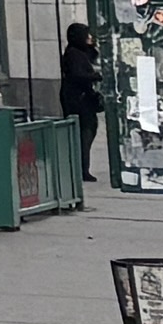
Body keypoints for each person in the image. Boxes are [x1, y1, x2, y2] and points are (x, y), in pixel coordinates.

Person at [56, 11, 104, 190]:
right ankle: (82, 168)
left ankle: (84, 167)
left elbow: (93, 57)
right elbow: (78, 75)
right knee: (84, 132)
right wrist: (96, 76)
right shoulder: (73, 54)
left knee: (89, 131)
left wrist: (93, 46)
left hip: (83, 98)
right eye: (87, 35)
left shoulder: (81, 52)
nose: (90, 37)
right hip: (77, 99)